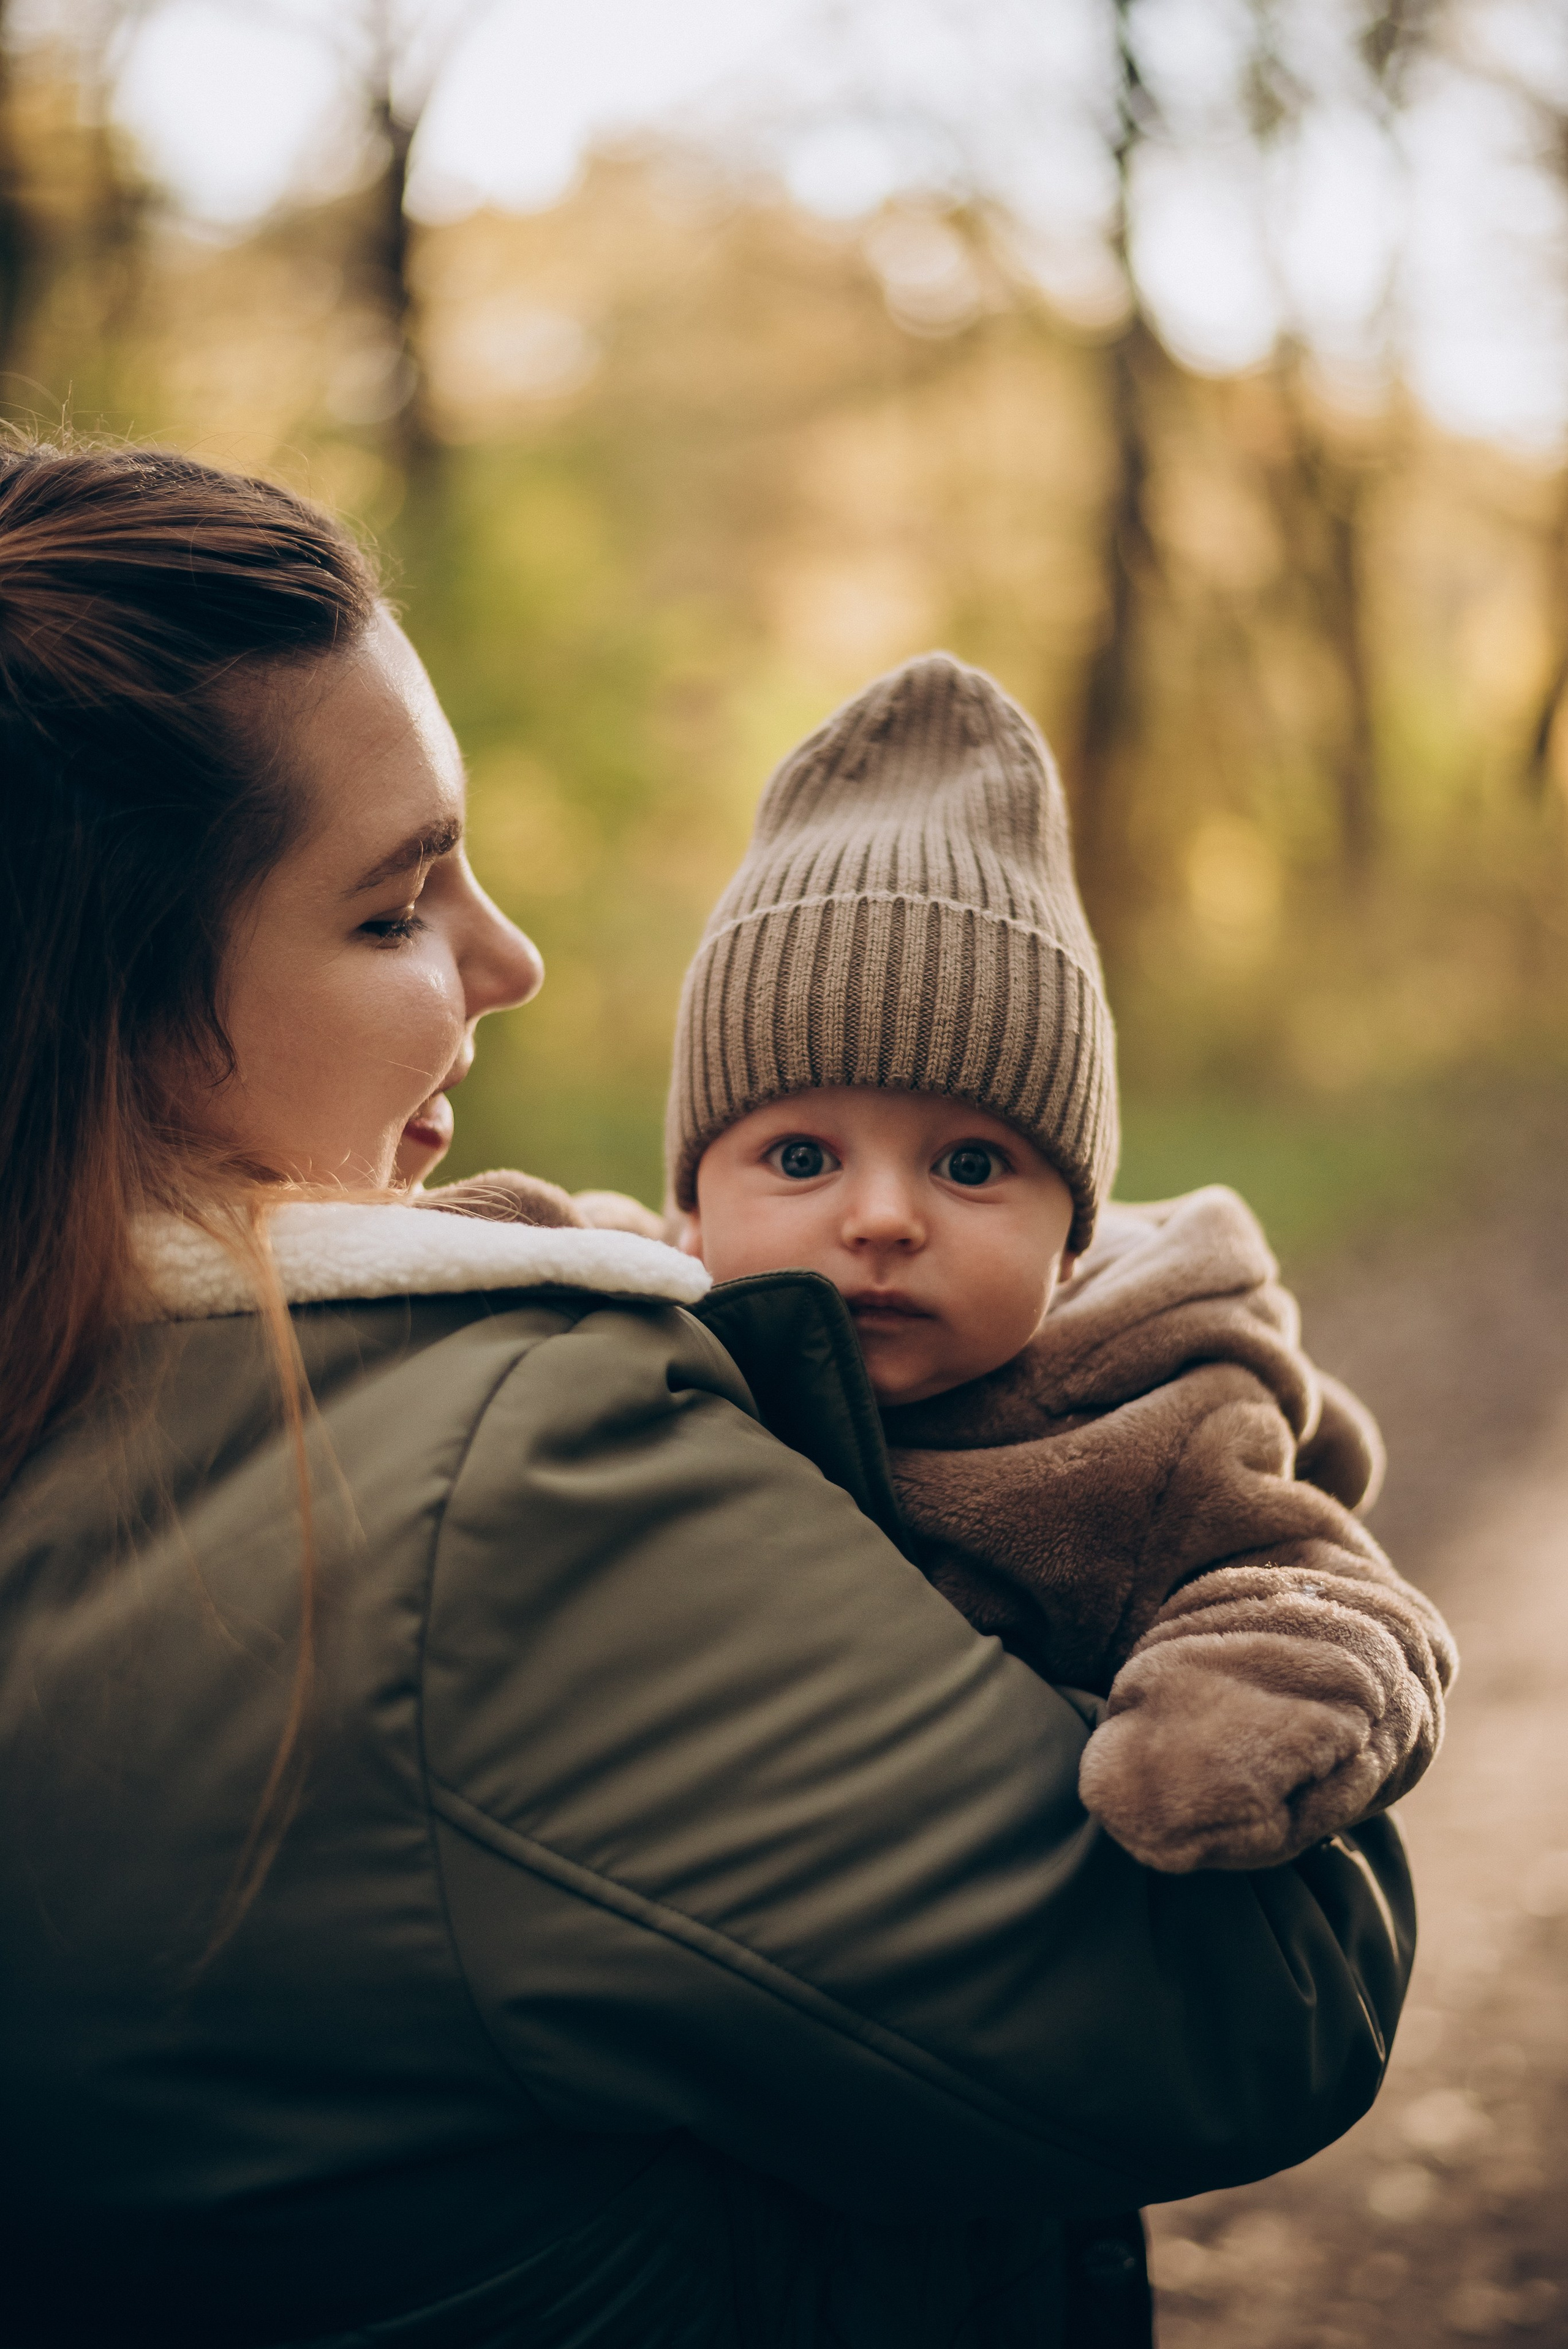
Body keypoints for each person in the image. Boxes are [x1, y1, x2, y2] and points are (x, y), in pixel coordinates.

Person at [0, 441, 1412, 2349]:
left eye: (977, 1162)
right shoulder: (517, 1473)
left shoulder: (68, 1417)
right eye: (397, 905)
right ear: (104, 998)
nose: (514, 954)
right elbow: (1254, 2006)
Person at [665, 653, 1456, 1875]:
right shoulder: (620, 1329)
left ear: (1073, 1239)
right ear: (688, 1207)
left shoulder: (1153, 1420)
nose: (881, 1217)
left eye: (971, 1166)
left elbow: (1322, 1599)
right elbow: (470, 1258)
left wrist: (1233, 1710)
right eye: (803, 1153)